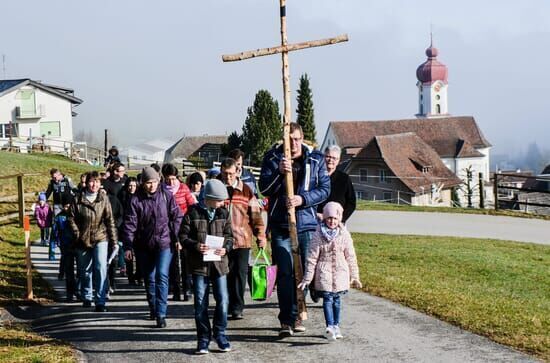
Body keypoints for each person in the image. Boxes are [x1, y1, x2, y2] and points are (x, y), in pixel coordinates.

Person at [259, 122, 330, 337]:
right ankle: (286, 319)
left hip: (306, 224)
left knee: (304, 273)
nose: (294, 144)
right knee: (286, 272)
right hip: (281, 224)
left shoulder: (315, 159)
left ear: (303, 138)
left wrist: (303, 199)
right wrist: (280, 173)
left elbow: (325, 189)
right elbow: (264, 189)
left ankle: (300, 311)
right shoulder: (272, 158)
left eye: (297, 139)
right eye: (290, 140)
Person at [121, 167, 182, 328]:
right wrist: (128, 246)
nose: (152, 186)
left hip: (164, 242)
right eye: (148, 183)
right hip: (143, 245)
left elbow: (177, 217)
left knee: (162, 275)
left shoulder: (166, 196)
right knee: (150, 277)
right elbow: (130, 224)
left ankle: (161, 313)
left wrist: (177, 237)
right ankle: (153, 307)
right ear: (143, 183)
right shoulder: (135, 200)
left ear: (158, 181)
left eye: (154, 182)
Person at [179, 179, 233, 355]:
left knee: (223, 301)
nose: (222, 203)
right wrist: (195, 245)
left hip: (219, 266)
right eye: (219, 200)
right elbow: (183, 236)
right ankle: (203, 339)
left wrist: (226, 248)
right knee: (200, 304)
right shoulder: (192, 212)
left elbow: (229, 236)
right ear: (209, 198)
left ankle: (220, 334)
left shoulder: (224, 213)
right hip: (199, 266)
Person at [298, 202, 362, 341]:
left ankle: (337, 326)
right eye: (329, 218)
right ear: (325, 218)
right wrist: (307, 279)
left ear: (339, 219)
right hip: (324, 272)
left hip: (340, 272)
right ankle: (330, 326)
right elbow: (312, 258)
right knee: (327, 299)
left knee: (337, 300)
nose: (332, 221)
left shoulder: (344, 235)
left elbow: (351, 256)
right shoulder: (318, 235)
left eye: (335, 218)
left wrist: (355, 275)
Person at [219, 158, 266, 320]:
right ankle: (225, 303)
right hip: (220, 241)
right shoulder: (216, 188)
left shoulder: (246, 191)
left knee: (240, 274)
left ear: (237, 172)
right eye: (225, 174)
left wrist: (260, 236)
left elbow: (255, 216)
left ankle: (237, 307)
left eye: (231, 174)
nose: (228, 177)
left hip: (241, 239)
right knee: (225, 274)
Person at [69, 171, 118, 312]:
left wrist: (114, 241)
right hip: (82, 239)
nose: (94, 184)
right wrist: (77, 233)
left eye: (97, 182)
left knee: (101, 267)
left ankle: (100, 300)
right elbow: (70, 218)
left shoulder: (103, 198)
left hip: (100, 237)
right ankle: (87, 296)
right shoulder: (78, 198)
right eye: (91, 181)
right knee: (85, 271)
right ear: (86, 183)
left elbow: (110, 220)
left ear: (100, 183)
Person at [161, 163, 196, 301]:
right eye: (168, 179)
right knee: (172, 261)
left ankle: (187, 288)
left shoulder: (183, 188)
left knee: (186, 259)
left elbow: (192, 207)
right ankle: (175, 289)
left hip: (184, 229)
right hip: (167, 229)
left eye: (174, 178)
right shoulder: (161, 191)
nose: (171, 182)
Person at [317, 145, 356, 224]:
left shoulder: (344, 178)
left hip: (336, 223)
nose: (330, 160)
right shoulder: (314, 176)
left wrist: (341, 219)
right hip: (316, 221)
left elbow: (351, 202)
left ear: (338, 160)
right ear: (323, 157)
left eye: (334, 158)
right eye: (328, 156)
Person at [53, 194, 78, 302]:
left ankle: (78, 290)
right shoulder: (59, 217)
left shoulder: (76, 215)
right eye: (65, 206)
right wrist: (56, 244)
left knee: (81, 271)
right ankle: (70, 293)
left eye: (69, 206)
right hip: (66, 246)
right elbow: (55, 232)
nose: (67, 208)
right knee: (69, 271)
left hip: (77, 245)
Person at [120, 177, 142, 286]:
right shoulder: (123, 197)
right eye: (130, 185)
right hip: (126, 228)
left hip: (138, 229)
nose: (131, 188)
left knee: (138, 253)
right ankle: (130, 276)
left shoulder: (139, 197)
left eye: (134, 185)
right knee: (128, 253)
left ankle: (139, 274)